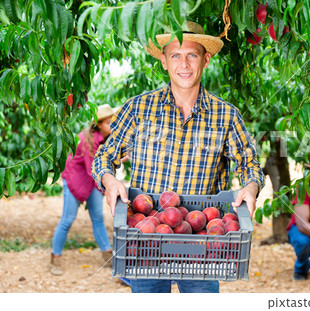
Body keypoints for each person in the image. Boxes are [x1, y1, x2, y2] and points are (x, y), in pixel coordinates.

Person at [91, 21, 265, 293]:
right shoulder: (138, 109)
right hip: (146, 239)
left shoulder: (226, 115)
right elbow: (104, 156)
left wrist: (250, 188)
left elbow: (249, 163)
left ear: (205, 60)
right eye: (175, 55)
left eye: (192, 55)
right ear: (163, 60)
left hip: (201, 242)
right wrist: (110, 181)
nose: (184, 64)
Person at [50, 104, 115, 276]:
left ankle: (107, 254)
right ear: (99, 124)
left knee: (98, 218)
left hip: (92, 180)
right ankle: (55, 257)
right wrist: (108, 187)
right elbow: (93, 168)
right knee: (68, 219)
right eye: (109, 123)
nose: (112, 126)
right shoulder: (88, 140)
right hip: (76, 180)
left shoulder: (106, 139)